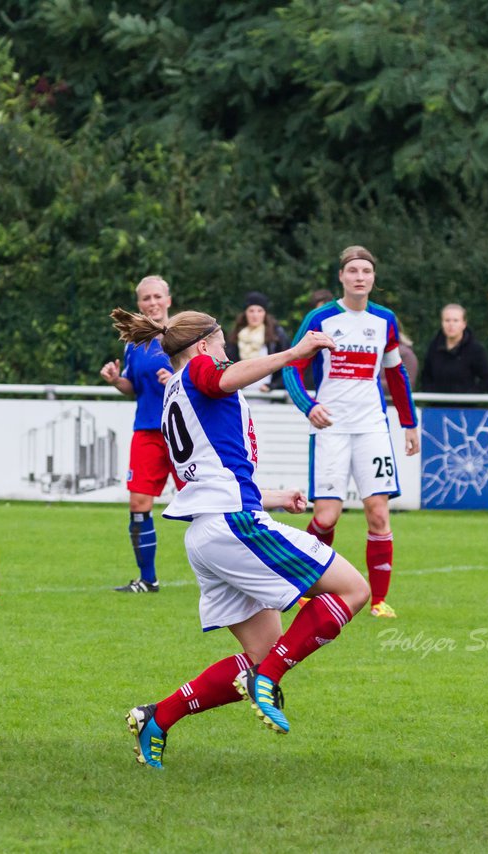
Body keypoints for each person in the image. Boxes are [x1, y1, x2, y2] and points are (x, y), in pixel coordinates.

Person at [110, 307, 370, 769]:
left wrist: (272, 495)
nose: (227, 348)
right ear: (206, 343)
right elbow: (221, 379)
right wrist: (293, 353)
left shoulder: (173, 389)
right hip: (233, 525)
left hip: (208, 531)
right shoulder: (200, 368)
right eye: (221, 340)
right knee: (354, 589)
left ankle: (157, 717)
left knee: (263, 651)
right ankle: (266, 679)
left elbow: (208, 473)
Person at [281, 245, 419, 619]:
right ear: (341, 276)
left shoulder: (385, 320)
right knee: (326, 517)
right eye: (353, 271)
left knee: (378, 513)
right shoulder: (321, 318)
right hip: (332, 429)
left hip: (372, 427)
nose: (360, 277)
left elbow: (395, 374)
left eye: (367, 271)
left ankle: (377, 601)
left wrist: (409, 423)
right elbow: (291, 366)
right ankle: (305, 587)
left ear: (374, 278)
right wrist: (309, 406)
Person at [99, 275, 181, 593]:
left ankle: (231, 575)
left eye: (157, 296)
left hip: (184, 431)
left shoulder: (184, 336)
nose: (152, 303)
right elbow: (133, 388)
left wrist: (175, 378)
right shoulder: (135, 342)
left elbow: (206, 380)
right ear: (139, 304)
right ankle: (148, 579)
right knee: (138, 503)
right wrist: (116, 379)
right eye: (146, 298)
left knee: (207, 504)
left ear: (169, 300)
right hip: (148, 430)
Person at [223, 291, 290, 395]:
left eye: (260, 311)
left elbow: (287, 364)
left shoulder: (276, 336)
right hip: (241, 393)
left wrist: (273, 385)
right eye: (251, 311)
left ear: (265, 313)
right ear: (245, 313)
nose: (255, 315)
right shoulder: (235, 336)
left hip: (269, 394)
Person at [421, 303, 488, 394]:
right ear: (442, 323)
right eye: (447, 320)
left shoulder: (475, 349)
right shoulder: (433, 347)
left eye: (455, 320)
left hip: (465, 407)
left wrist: (470, 396)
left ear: (464, 324)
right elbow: (426, 376)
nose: (451, 324)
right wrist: (431, 393)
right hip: (437, 406)